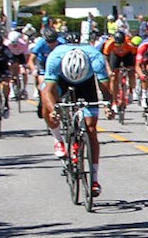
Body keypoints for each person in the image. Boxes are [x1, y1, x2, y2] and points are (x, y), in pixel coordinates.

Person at [40, 43, 114, 197]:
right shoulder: (55, 57)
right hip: (61, 80)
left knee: (91, 129)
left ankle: (94, 179)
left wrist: (109, 106)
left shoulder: (95, 58)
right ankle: (57, 138)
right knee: (46, 105)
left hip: (86, 83)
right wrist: (54, 110)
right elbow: (47, 91)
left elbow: (105, 89)